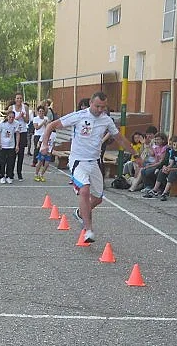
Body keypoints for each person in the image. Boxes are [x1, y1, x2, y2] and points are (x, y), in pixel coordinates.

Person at [39, 91, 135, 243]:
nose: (100, 110)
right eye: (97, 106)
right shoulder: (79, 116)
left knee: (97, 199)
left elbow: (120, 139)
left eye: (103, 107)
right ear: (91, 103)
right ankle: (88, 229)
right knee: (84, 190)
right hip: (78, 160)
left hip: (95, 162)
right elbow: (51, 125)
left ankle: (80, 213)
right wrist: (44, 144)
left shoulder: (106, 120)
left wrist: (136, 155)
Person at [143, 135, 177, 201]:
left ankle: (165, 193)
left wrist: (171, 169)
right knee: (162, 171)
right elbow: (171, 164)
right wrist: (166, 168)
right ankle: (154, 190)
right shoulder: (173, 152)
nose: (175, 147)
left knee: (172, 173)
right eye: (174, 145)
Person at [9, 93, 29, 180]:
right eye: (17, 98)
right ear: (15, 99)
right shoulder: (11, 108)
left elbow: (27, 120)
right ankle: (11, 173)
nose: (19, 100)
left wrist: (23, 117)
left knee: (21, 154)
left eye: (20, 98)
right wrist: (18, 116)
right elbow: (9, 120)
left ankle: (19, 173)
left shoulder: (25, 107)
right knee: (12, 154)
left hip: (22, 132)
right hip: (14, 132)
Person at [0, 110, 17, 184]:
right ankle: (2, 176)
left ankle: (9, 176)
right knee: (2, 162)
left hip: (11, 145)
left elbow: (17, 134)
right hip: (3, 145)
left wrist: (17, 145)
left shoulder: (16, 123)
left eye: (13, 117)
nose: (11, 119)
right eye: (10, 117)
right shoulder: (2, 123)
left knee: (10, 162)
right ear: (7, 117)